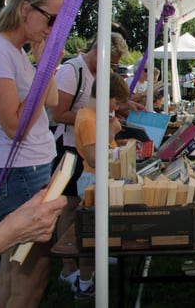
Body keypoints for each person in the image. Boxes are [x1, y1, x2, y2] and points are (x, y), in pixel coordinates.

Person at [0, 0, 65, 307]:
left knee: (11, 275)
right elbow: (15, 125)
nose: (53, 29)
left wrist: (46, 62)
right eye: (51, 19)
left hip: (28, 167)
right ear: (26, 8)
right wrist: (44, 67)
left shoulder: (12, 49)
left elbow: (50, 100)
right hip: (18, 169)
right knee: (30, 279)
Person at [73, 71, 130, 299]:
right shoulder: (88, 119)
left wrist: (120, 143)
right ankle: (85, 283)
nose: (116, 108)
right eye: (116, 102)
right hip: (92, 180)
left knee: (96, 233)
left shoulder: (93, 115)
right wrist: (111, 133)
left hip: (98, 178)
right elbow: (95, 157)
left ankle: (95, 270)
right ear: (106, 96)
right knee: (89, 236)